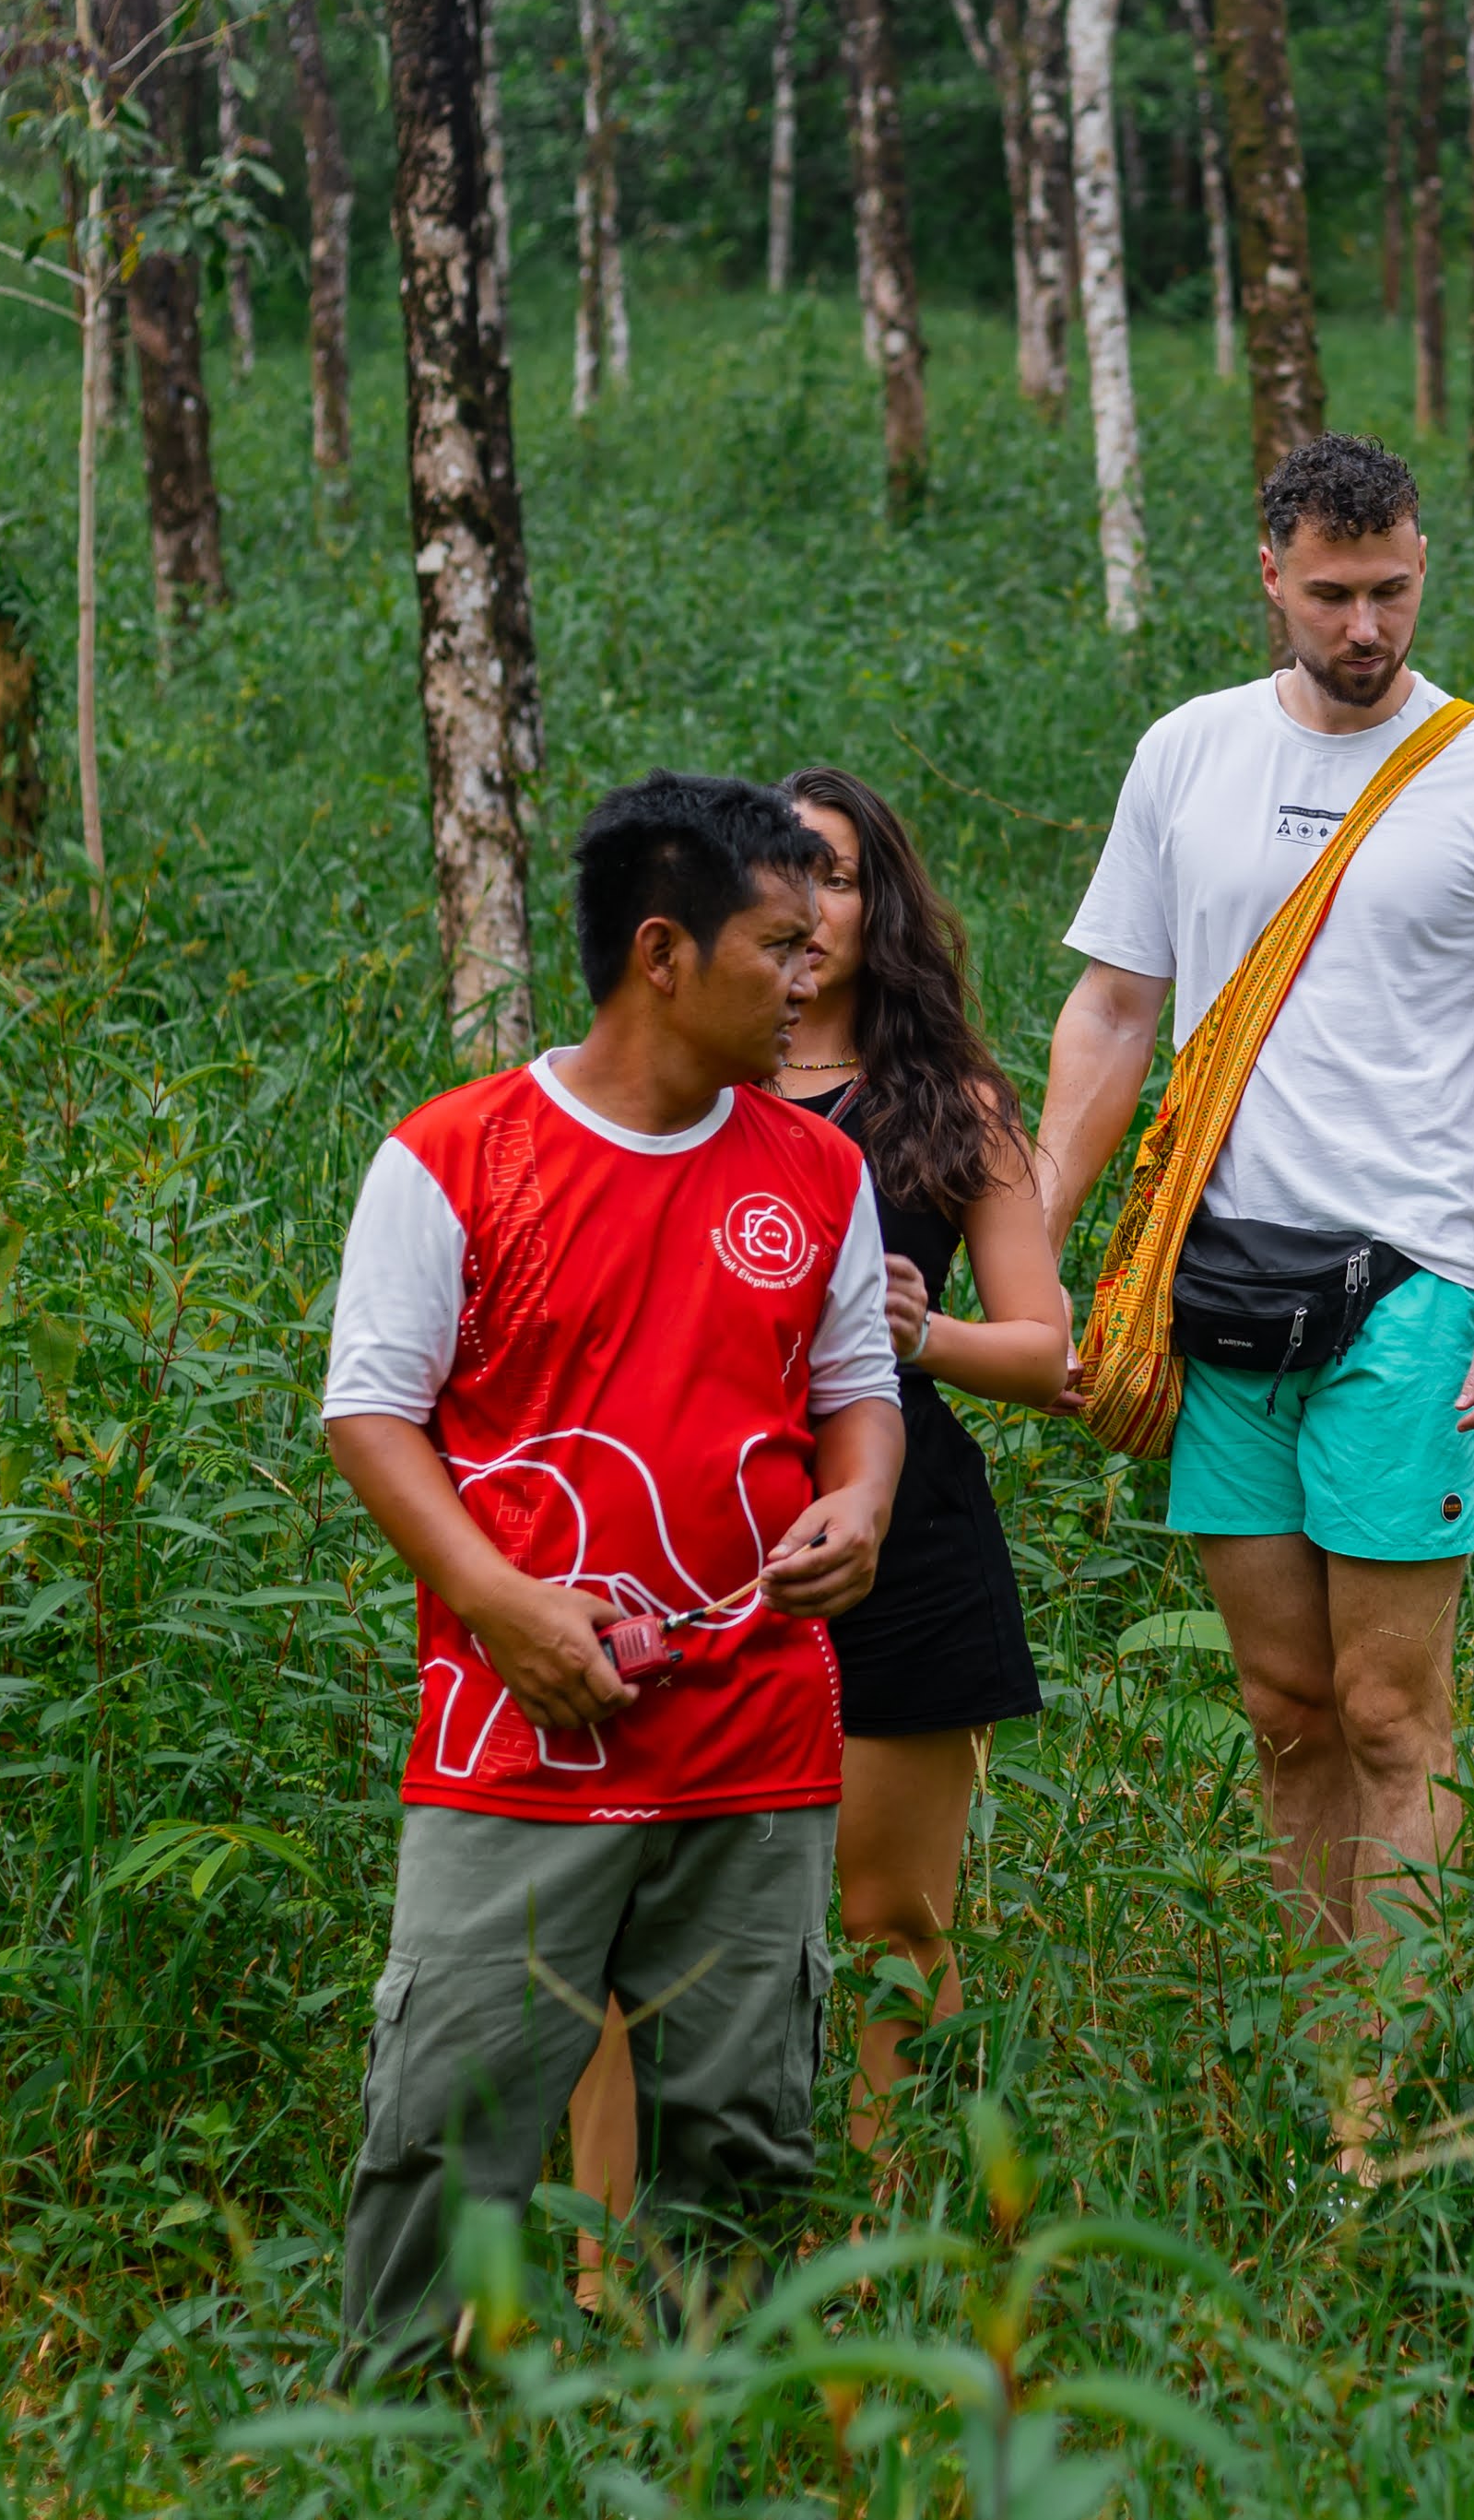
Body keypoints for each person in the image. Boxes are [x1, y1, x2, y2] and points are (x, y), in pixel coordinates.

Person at [322, 773, 904, 2365]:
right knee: (451, 2116)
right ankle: (399, 2439)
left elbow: (858, 1397)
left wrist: (855, 1509)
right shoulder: (452, 1159)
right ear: (662, 952)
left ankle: (699, 2422)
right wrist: (501, 1605)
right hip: (512, 1740)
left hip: (753, 1741)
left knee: (739, 2130)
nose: (807, 979)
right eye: (777, 946)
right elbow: (370, 1415)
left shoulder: (817, 1175)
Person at [1032, 434, 1474, 1996]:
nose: (1367, 627)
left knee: (1385, 1712)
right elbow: (1109, 1007)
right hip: (1215, 1285)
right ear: (1271, 578)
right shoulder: (1186, 753)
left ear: (1421, 567)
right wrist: (1032, 1239)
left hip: (1414, 1281)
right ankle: (1316, 2044)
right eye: (1335, 593)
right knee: (1283, 1705)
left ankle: (1393, 2077)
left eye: (1394, 590)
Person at [559, 769, 1066, 2205]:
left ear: (877, 897)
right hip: (683, 1530)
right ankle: (618, 2262)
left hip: (902, 1539)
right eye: (784, 880)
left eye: (836, 875)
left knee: (890, 1916)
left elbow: (1046, 1351)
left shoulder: (943, 1099)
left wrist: (922, 1330)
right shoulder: (670, 1086)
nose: (811, 909)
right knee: (630, 1925)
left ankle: (876, 2241)